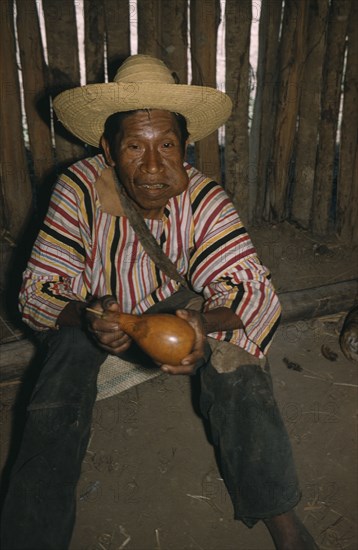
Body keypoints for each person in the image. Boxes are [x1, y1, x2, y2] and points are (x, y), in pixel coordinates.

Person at [0, 55, 318, 550]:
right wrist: (89, 317)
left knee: (238, 356)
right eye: (134, 147)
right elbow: (38, 288)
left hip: (172, 302)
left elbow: (250, 290)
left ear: (185, 146)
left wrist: (198, 324)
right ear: (108, 149)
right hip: (94, 313)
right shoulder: (78, 189)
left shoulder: (205, 199)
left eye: (167, 145)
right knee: (56, 391)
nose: (153, 166)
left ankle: (279, 512)